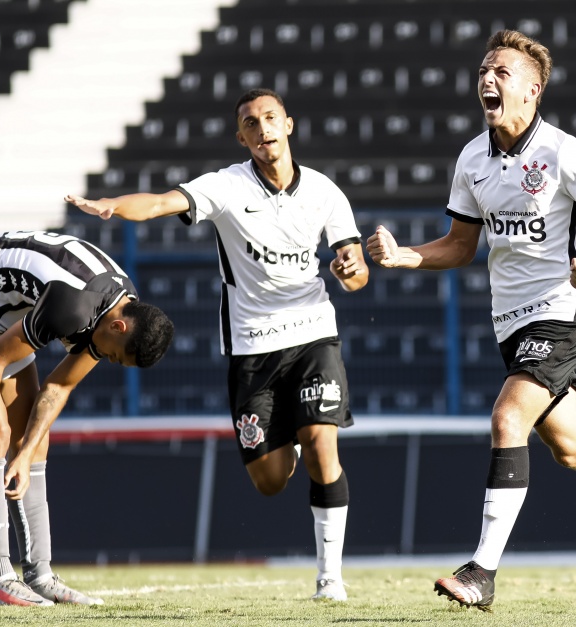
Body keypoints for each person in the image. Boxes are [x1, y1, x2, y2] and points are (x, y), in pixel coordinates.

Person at [366, 30, 576, 611]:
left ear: (533, 89)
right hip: (510, 322)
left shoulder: (564, 153)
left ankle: (482, 573)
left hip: (563, 311)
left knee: (507, 417)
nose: (487, 79)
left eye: (501, 71)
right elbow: (459, 245)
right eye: (483, 70)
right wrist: (403, 256)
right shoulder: (472, 158)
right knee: (571, 449)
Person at [64, 88, 370, 602]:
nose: (262, 128)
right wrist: (116, 206)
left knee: (323, 444)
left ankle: (329, 578)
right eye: (250, 122)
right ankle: (287, 438)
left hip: (314, 332)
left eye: (270, 118)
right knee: (270, 481)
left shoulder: (325, 193)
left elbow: (355, 269)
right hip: (252, 347)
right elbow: (164, 202)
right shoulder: (226, 186)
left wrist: (351, 270)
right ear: (241, 136)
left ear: (288, 125)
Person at [0, 229, 175, 606]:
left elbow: (58, 388)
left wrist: (24, 455)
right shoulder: (75, 307)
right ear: (119, 327)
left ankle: (40, 575)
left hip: (4, 312)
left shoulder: (116, 309)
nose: (110, 360)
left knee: (34, 440)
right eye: (117, 355)